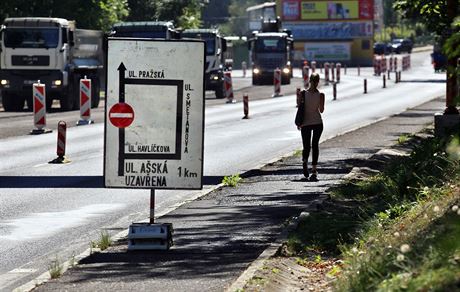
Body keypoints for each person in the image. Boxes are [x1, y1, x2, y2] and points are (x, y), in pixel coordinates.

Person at [298, 73, 325, 181]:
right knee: (315, 145)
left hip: (305, 123)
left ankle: (305, 161)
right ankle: (314, 170)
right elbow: (322, 110)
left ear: (309, 81)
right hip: (317, 122)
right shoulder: (321, 95)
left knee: (306, 146)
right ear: (318, 82)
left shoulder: (303, 94)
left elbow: (300, 107)